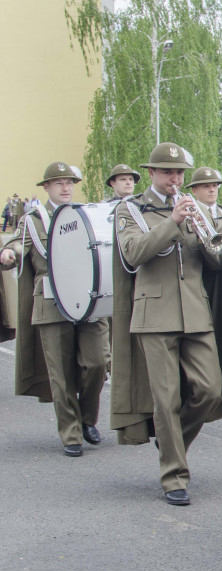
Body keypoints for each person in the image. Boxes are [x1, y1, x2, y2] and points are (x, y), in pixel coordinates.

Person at [111, 142, 222, 505]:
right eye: (167, 172)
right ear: (151, 174)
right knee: (166, 399)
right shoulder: (130, 209)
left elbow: (212, 261)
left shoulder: (196, 209)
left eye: (179, 173)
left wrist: (217, 246)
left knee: (210, 390)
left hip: (196, 311)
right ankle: (174, 475)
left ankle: (171, 437)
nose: (174, 178)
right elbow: (134, 253)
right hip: (154, 315)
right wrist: (173, 221)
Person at [0, 162, 109, 457]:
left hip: (86, 299)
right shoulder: (33, 220)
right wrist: (9, 253)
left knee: (97, 363)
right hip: (50, 301)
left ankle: (87, 418)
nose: (65, 187)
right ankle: (71, 433)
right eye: (58, 183)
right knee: (60, 375)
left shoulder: (83, 214)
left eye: (69, 182)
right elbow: (17, 245)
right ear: (46, 188)